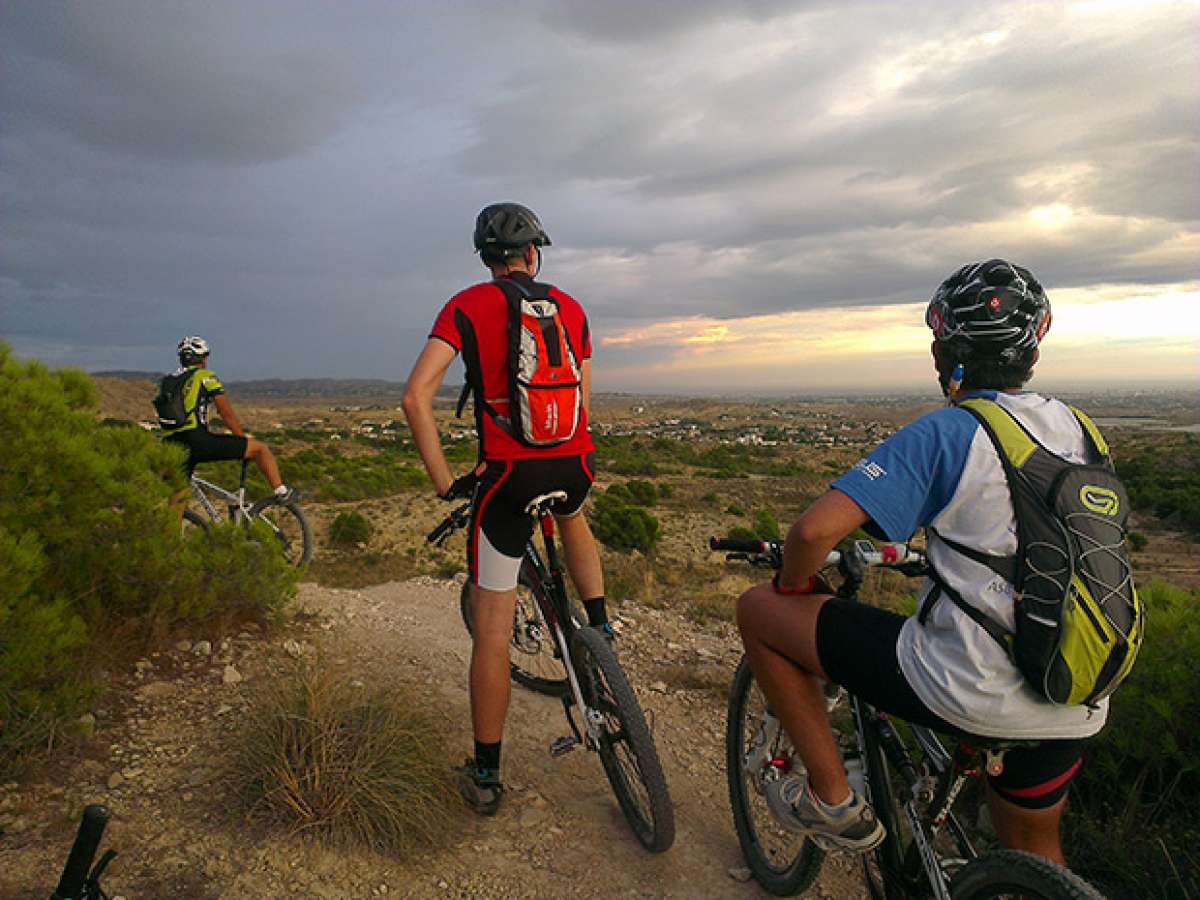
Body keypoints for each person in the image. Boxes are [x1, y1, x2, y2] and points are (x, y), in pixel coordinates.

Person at [736, 260, 1101, 866]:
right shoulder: (1082, 431)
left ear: (946, 353)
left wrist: (795, 584)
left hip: (971, 686)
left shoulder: (950, 431)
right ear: (1034, 347)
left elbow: (813, 531)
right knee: (1035, 852)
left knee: (758, 610)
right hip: (1076, 688)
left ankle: (832, 801)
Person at [402, 202, 611, 816]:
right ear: (534, 254)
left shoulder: (465, 306)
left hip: (507, 479)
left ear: (486, 259)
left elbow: (416, 399)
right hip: (573, 465)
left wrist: (445, 482)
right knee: (573, 514)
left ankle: (487, 774)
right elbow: (583, 400)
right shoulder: (570, 307)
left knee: (492, 631)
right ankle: (600, 630)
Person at [161, 336, 294, 503]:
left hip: (172, 445)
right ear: (204, 359)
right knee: (260, 449)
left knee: (176, 504)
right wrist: (241, 439)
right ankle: (281, 492)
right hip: (197, 440)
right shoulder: (205, 376)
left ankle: (171, 528)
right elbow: (226, 412)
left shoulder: (168, 381)